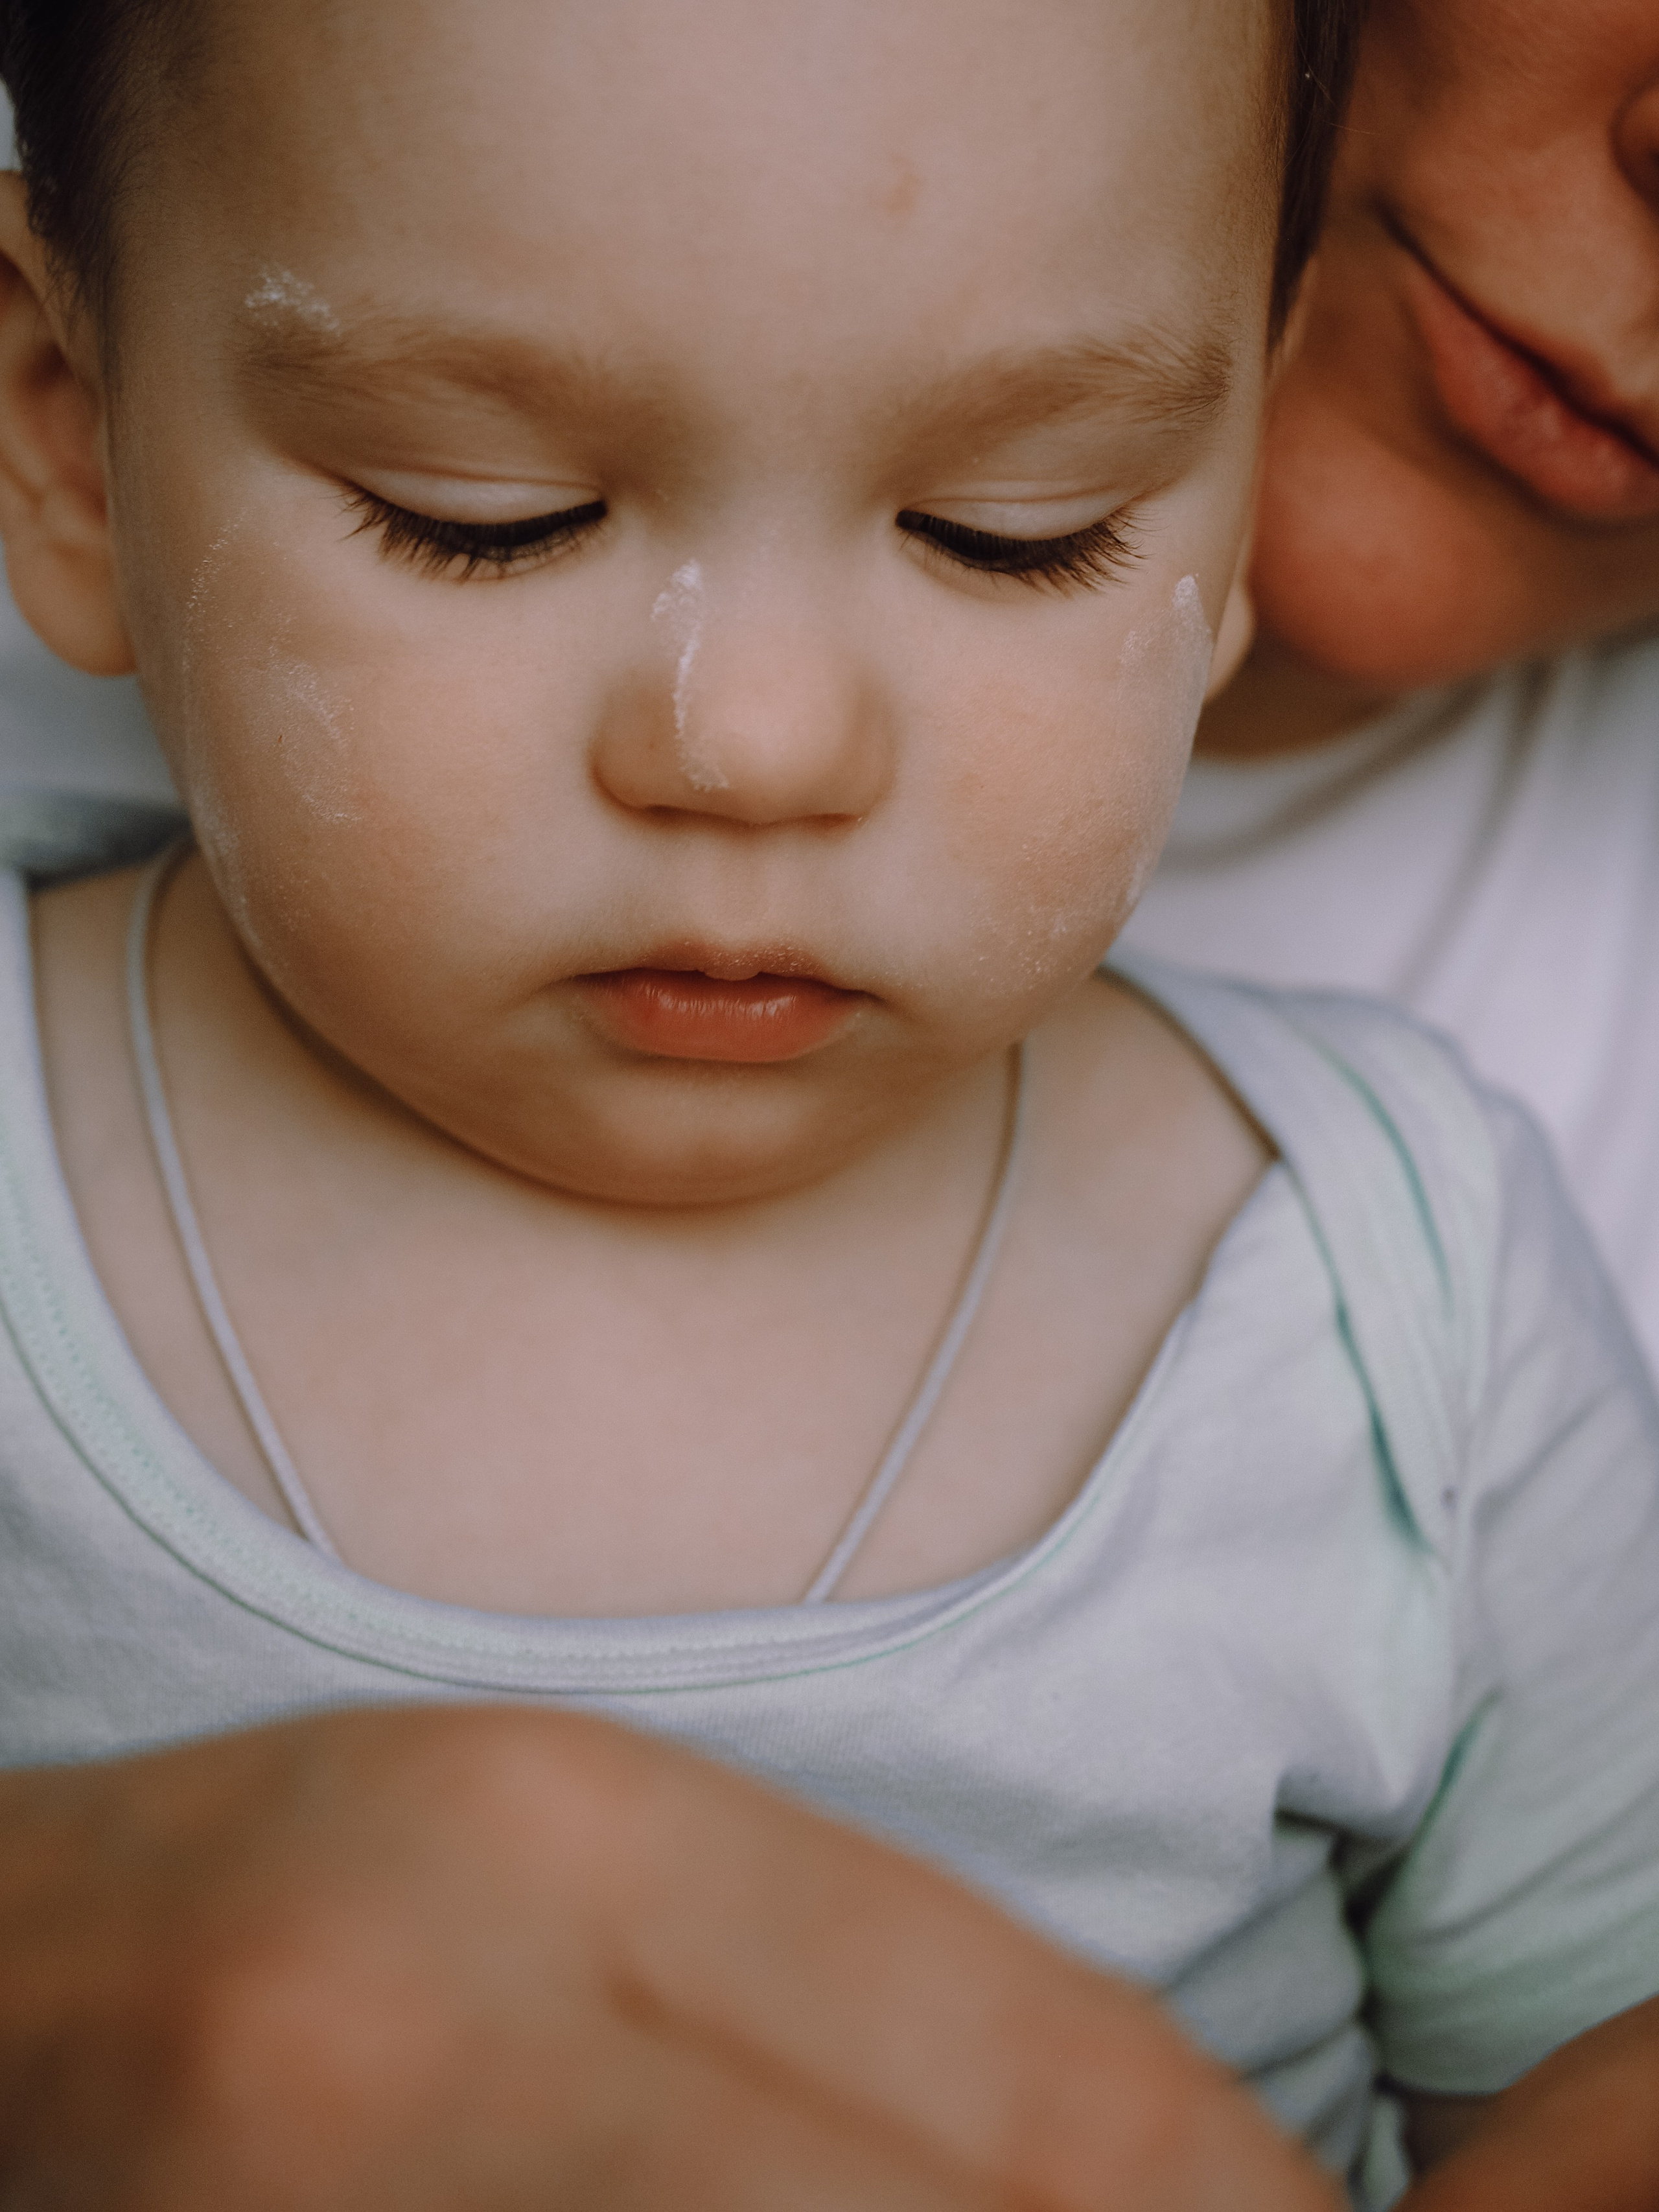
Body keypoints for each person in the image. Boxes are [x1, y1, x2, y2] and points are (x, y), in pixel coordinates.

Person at [0, 7, 1655, 2212]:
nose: (757, 742)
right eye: (483, 517)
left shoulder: (1406, 1315)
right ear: (67, 434)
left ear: (1237, 478)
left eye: (1018, 532)